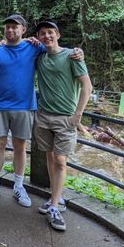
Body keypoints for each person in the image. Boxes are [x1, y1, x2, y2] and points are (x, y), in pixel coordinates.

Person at [0, 14, 82, 208]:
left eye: (15, 27)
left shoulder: (34, 47)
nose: (11, 30)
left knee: (20, 147)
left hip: (24, 106)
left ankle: (19, 186)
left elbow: (56, 49)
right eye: (8, 27)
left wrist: (78, 52)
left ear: (23, 30)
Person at [33, 20, 92, 231]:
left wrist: (78, 115)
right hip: (44, 115)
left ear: (58, 34)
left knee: (60, 160)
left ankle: (55, 207)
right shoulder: (39, 56)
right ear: (39, 37)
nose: (47, 36)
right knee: (50, 157)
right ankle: (55, 198)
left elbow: (87, 86)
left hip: (65, 118)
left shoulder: (71, 56)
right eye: (42, 33)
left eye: (50, 32)